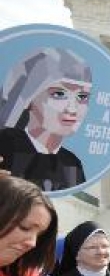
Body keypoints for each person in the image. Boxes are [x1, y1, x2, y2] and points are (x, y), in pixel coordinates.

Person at [0, 47, 91, 191]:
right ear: (28, 98)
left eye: (82, 97)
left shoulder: (72, 163)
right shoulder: (4, 144)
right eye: (59, 94)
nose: (72, 109)